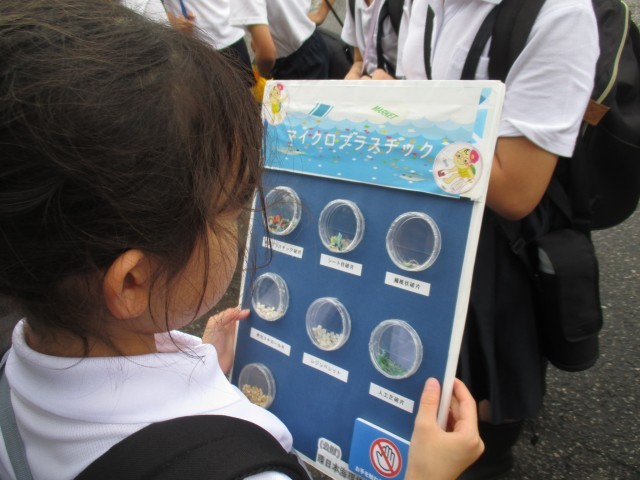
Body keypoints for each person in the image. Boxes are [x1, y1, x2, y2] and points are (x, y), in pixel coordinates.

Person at [0, 1, 483, 479]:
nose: (244, 222)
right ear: (131, 283)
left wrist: (195, 359)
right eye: (231, 210)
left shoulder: (14, 376)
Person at [393, 0, 599, 478]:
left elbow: (515, 190)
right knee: (409, 371)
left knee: (479, 416)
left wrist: (391, 118)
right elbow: (415, 91)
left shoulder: (559, 14)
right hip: (423, 223)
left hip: (497, 249)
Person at [229, 0, 330, 80]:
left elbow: (267, 55)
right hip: (314, 45)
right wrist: (321, 13)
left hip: (293, 68)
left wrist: (264, 75)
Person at [162, 0, 254, 86]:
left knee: (246, 91)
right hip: (196, 46)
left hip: (232, 35)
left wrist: (255, 28)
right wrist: (171, 22)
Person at [341, 0, 398, 79]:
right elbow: (360, 59)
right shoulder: (353, 2)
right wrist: (354, 73)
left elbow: (414, 72)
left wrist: (386, 81)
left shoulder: (401, 4)